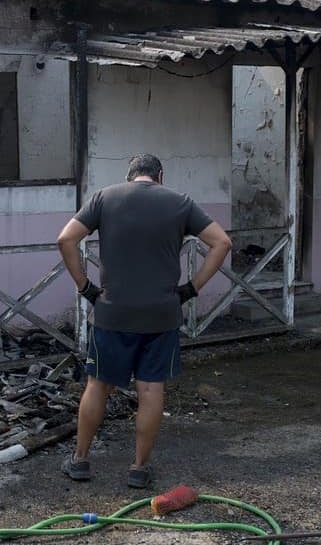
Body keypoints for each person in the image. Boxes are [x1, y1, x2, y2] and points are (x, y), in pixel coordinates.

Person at [55, 153, 232, 488]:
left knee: (98, 384)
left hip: (112, 312)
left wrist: (85, 287)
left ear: (130, 175)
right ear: (159, 176)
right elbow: (222, 242)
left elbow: (65, 239)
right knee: (151, 389)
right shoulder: (180, 202)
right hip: (161, 315)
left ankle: (79, 461)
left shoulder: (105, 198)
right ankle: (138, 468)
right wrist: (192, 288)